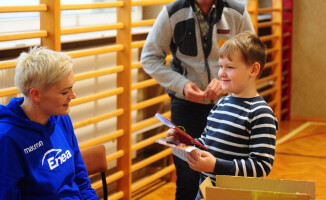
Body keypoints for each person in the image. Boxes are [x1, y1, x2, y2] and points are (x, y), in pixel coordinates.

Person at [141, 0, 254, 199]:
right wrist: (181, 84)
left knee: (226, 178)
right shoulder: (172, 12)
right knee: (187, 179)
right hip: (185, 109)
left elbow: (252, 58)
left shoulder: (237, 11)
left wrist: (225, 81)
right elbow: (149, 57)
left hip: (229, 106)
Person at [167, 32, 278, 200]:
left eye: (230, 67)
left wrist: (216, 166)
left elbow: (261, 167)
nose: (221, 73)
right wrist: (183, 141)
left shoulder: (261, 113)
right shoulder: (220, 104)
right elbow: (206, 142)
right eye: (220, 66)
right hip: (206, 192)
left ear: (253, 69)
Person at [0, 47, 99, 200]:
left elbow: (81, 179)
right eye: (65, 92)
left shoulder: (61, 118)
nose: (73, 95)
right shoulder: (8, 139)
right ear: (36, 94)